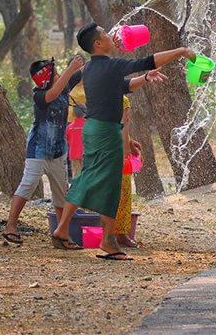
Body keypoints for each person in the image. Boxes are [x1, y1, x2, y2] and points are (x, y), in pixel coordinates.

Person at [51, 22, 189, 261]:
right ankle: (108, 240)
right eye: (105, 34)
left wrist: (146, 78)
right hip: (106, 132)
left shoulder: (92, 68)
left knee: (86, 177)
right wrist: (181, 51)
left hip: (93, 130)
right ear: (97, 43)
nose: (111, 36)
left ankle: (62, 230)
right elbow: (148, 60)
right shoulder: (110, 65)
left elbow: (123, 86)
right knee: (111, 184)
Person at [3, 55, 84, 245]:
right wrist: (70, 69)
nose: (59, 75)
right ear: (44, 79)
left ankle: (61, 233)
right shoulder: (39, 95)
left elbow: (86, 70)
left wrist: (104, 49)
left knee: (61, 192)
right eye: (55, 73)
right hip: (38, 150)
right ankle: (11, 225)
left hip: (58, 152)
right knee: (28, 183)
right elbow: (52, 95)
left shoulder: (64, 86)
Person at [115, 96, 139, 248]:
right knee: (122, 194)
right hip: (117, 150)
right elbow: (122, 126)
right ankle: (121, 235)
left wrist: (130, 143)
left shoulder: (96, 93)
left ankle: (105, 232)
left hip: (100, 145)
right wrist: (125, 151)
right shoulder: (122, 100)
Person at [66, 104, 86, 180]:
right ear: (85, 113)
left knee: (77, 175)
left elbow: (67, 140)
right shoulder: (87, 126)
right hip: (86, 154)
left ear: (73, 114)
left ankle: (78, 190)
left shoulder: (69, 127)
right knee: (86, 174)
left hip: (74, 155)